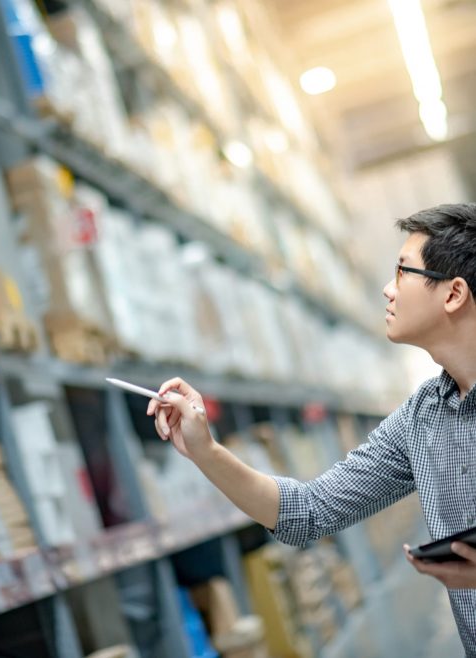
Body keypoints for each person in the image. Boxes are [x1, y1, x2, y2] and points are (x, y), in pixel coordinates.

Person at [146, 203, 476, 656]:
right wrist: (205, 450)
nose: (387, 290)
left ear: (453, 294)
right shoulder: (423, 418)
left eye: (402, 273)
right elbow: (308, 513)